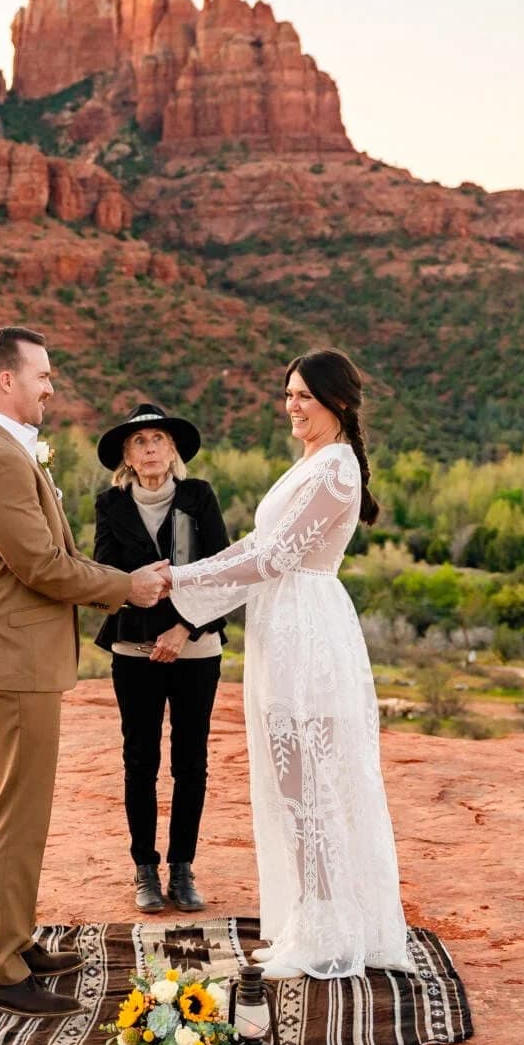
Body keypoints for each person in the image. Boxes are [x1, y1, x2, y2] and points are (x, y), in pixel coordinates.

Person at [166, 350, 412, 980]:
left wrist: (178, 581)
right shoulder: (313, 462)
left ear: (341, 403)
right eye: (289, 395)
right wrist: (188, 588)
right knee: (293, 782)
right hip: (283, 624)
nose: (294, 406)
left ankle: (331, 929)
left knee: (312, 780)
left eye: (305, 396)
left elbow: (273, 558)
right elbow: (256, 547)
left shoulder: (336, 471)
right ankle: (314, 918)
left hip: (309, 629)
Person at [0, 326, 170, 1018]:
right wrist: (125, 586)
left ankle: (10, 940)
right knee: (16, 815)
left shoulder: (5, 452)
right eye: (43, 375)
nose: (51, 386)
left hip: (18, 657)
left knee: (15, 810)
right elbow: (41, 565)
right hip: (12, 659)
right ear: (7, 380)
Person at [91, 403, 231, 915]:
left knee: (191, 762)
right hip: (134, 650)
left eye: (157, 440)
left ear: (172, 449)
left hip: (195, 647)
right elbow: (104, 575)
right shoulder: (110, 504)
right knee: (140, 760)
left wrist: (183, 626)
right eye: (139, 442)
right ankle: (145, 871)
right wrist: (137, 593)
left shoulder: (199, 496)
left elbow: (223, 571)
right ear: (126, 457)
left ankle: (183, 868)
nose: (150, 449)